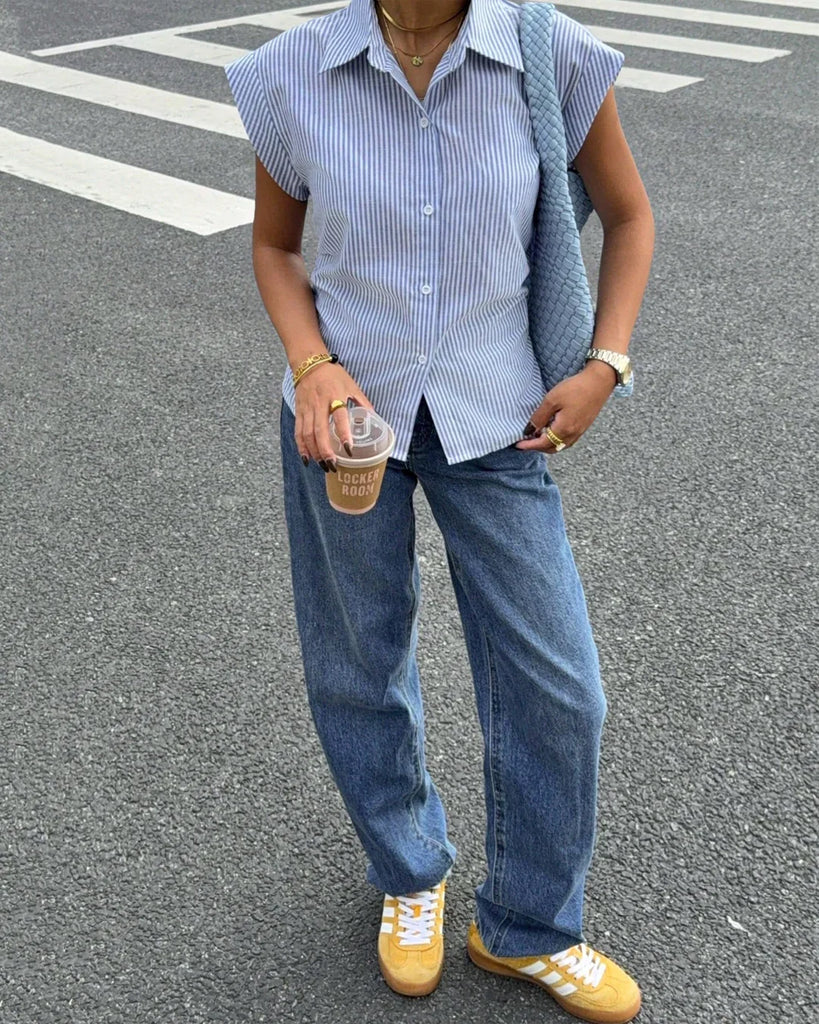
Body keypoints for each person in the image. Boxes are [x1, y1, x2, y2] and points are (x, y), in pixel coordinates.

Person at [226, 0, 654, 1020]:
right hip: (347, 423)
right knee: (358, 659)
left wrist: (607, 360)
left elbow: (629, 214)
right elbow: (277, 252)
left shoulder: (546, 53)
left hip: (498, 415)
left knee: (559, 687)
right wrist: (314, 366)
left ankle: (527, 926)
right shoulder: (294, 71)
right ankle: (410, 871)